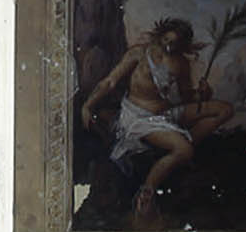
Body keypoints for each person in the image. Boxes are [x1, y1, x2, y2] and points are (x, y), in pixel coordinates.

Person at [81, 17, 234, 221]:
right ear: (160, 35)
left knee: (225, 110)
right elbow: (110, 82)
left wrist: (204, 93)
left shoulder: (181, 63)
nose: (169, 46)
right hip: (139, 118)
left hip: (166, 114)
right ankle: (147, 192)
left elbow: (187, 97)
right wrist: (88, 105)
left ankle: (176, 143)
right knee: (185, 150)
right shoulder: (139, 54)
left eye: (175, 43)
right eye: (166, 40)